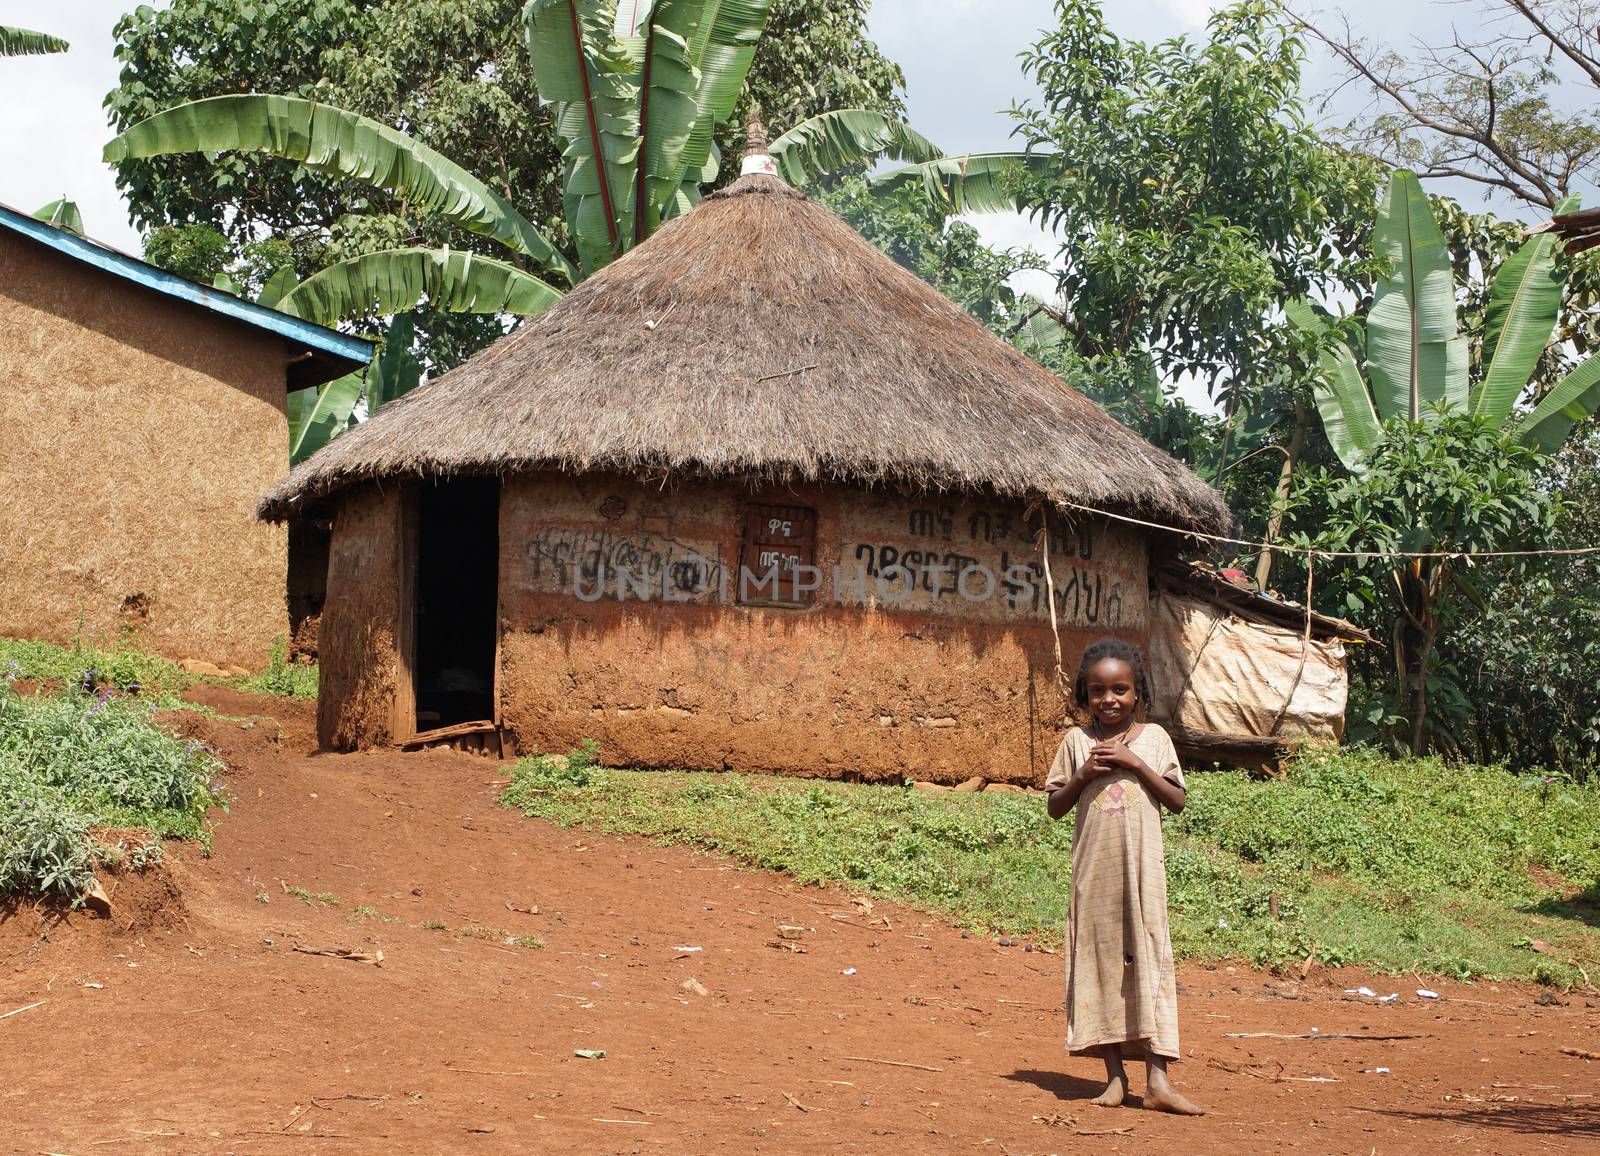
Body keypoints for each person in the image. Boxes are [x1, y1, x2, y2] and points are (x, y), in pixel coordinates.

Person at [1044, 638, 1204, 1115]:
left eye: (1120, 690)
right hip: (1094, 875)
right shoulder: (1077, 743)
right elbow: (1055, 807)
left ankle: (1158, 1082)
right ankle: (1115, 1077)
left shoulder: (1155, 740)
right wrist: (1083, 775)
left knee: (1151, 962)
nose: (1108, 699)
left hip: (1143, 875)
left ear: (1138, 694)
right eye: (1097, 691)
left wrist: (1135, 763)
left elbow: (1177, 801)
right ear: (1084, 695)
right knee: (1100, 965)